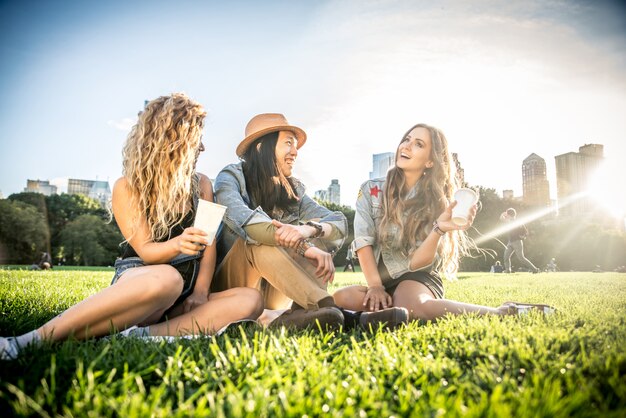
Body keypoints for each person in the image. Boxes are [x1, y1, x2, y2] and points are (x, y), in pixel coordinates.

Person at [1, 93, 263, 360]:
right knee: (167, 279)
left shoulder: (203, 184)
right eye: (197, 138)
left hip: (182, 294)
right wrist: (177, 244)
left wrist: (200, 292)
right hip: (144, 282)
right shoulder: (127, 187)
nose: (203, 147)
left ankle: (141, 335)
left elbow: (208, 248)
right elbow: (147, 251)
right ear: (173, 139)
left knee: (250, 300)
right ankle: (27, 341)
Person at [333, 123, 552, 323]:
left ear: (430, 161)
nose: (406, 146)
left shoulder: (437, 202)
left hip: (417, 278)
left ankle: (502, 312)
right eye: (406, 139)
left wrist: (439, 229)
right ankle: (385, 314)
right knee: (341, 297)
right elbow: (363, 241)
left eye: (418, 144)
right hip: (382, 281)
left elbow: (417, 263)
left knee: (411, 306)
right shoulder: (370, 189)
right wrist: (375, 286)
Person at [211, 113, 348, 329]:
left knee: (318, 235)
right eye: (288, 143)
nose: (295, 152)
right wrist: (305, 248)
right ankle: (332, 310)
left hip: (273, 288)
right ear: (260, 147)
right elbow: (248, 224)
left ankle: (293, 317)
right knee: (256, 238)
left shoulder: (292, 190)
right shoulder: (230, 177)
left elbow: (338, 223)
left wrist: (310, 230)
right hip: (231, 285)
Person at [500, 208, 540, 274]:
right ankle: (508, 270)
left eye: (507, 214)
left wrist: (523, 237)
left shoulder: (516, 221)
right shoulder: (510, 221)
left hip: (517, 242)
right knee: (506, 257)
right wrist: (503, 214)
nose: (506, 216)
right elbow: (502, 219)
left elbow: (526, 232)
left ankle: (535, 269)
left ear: (509, 215)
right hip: (510, 242)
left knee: (521, 258)